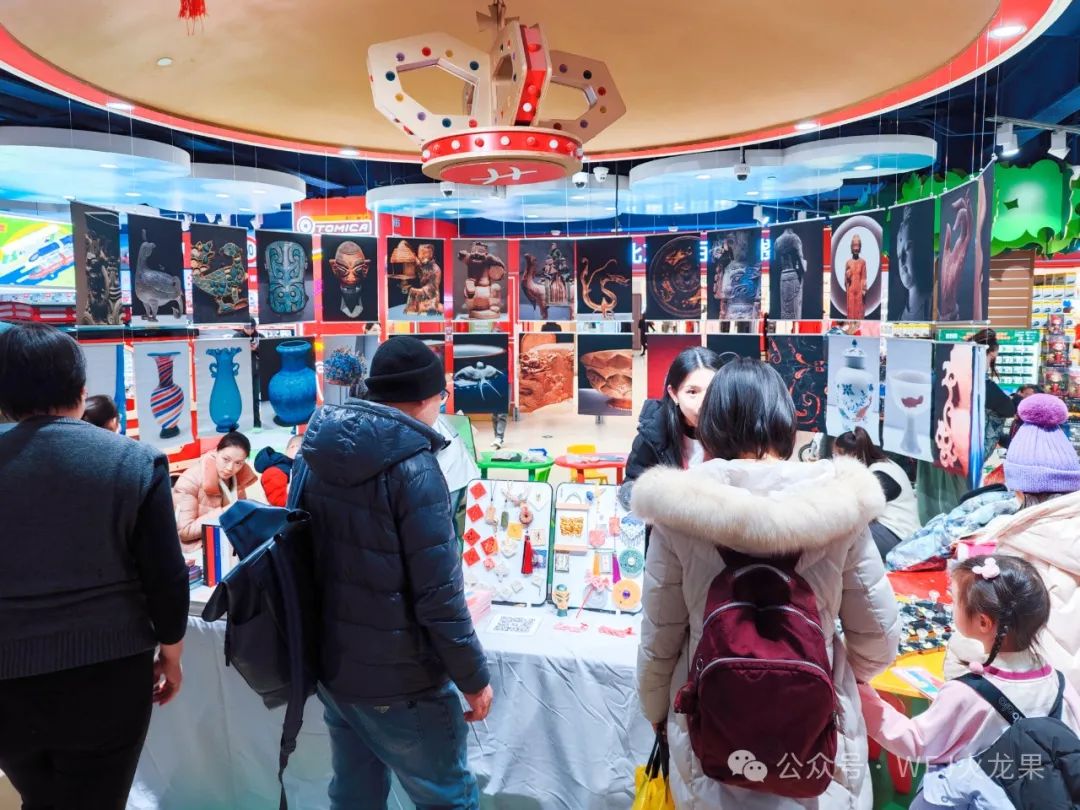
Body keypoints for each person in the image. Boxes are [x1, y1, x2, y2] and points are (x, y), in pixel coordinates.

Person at [633, 358, 899, 808]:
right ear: (784, 420)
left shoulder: (677, 511)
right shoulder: (839, 506)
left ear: (711, 424)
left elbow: (660, 641)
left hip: (710, 739)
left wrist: (657, 711)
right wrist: (829, 669)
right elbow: (878, 638)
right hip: (816, 745)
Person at [0, 322, 188, 808]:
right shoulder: (135, 461)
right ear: (82, 391)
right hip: (108, 675)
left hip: (6, 678)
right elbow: (166, 577)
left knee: (40, 796)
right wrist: (171, 655)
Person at [299, 336, 491, 809]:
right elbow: (439, 597)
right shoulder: (415, 468)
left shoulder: (315, 450)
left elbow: (295, 554)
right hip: (402, 679)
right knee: (447, 799)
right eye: (441, 395)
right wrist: (473, 678)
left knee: (354, 796)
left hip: (335, 670)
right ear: (426, 397)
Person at [860, 555, 1080, 806]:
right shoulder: (1058, 683)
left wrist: (862, 695)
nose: (951, 606)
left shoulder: (966, 692)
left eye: (954, 601)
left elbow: (916, 741)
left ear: (983, 622)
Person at [946, 394, 1080, 688]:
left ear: (1018, 487)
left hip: (1038, 696)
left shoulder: (1012, 544)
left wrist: (957, 648)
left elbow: (988, 640)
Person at [619, 346, 722, 509]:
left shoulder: (735, 431)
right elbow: (630, 488)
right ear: (674, 394)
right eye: (692, 392)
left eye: (712, 391)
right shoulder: (653, 434)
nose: (704, 403)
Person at [833, 428, 921, 558]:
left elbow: (861, 512)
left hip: (897, 534)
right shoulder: (881, 465)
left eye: (837, 455)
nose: (835, 460)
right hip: (891, 531)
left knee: (838, 540)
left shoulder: (879, 474)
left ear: (851, 455)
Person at [172, 431, 259, 546]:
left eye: (238, 463)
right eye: (226, 459)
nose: (230, 468)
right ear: (216, 451)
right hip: (198, 549)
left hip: (229, 542)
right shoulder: (189, 480)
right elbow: (184, 531)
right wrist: (228, 512)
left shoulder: (238, 476)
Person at [968, 329, 1016, 456]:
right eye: (991, 359)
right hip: (972, 452)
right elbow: (1009, 410)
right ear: (992, 353)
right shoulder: (983, 385)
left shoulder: (947, 378)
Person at [254, 433, 302, 507]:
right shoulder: (275, 471)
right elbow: (280, 503)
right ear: (293, 447)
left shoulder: (291, 467)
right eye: (304, 451)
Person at [234, 318, 262, 428]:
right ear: (243, 327)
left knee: (255, 398)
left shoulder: (260, 337)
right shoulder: (237, 337)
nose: (249, 330)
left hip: (256, 372)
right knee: (241, 397)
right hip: (241, 373)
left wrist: (257, 349)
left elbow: (267, 353)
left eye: (251, 328)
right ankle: (242, 422)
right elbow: (234, 354)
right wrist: (245, 348)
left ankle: (256, 421)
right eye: (247, 328)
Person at [844, 233, 867, 320]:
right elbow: (845, 281)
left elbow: (864, 277)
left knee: (859, 312)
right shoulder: (848, 262)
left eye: (858, 246)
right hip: (850, 291)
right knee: (851, 312)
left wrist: (863, 289)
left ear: (860, 247)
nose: (856, 248)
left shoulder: (863, 262)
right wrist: (847, 276)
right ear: (851, 247)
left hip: (859, 291)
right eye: (854, 245)